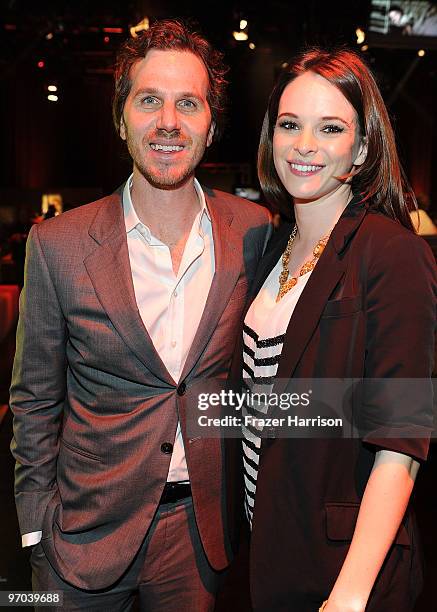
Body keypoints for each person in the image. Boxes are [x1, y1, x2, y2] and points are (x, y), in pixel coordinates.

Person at [9, 19, 271, 611]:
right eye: (149, 100)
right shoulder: (57, 245)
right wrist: (36, 529)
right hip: (80, 537)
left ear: (211, 123)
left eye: (188, 103)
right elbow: (33, 400)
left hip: (198, 538)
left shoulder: (251, 233)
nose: (169, 122)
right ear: (120, 116)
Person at [232, 47, 436, 611]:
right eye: (290, 125)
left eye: (331, 128)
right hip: (270, 555)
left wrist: (349, 595)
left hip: (343, 575)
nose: (304, 146)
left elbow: (402, 441)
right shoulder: (273, 247)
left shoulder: (392, 253)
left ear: (363, 145)